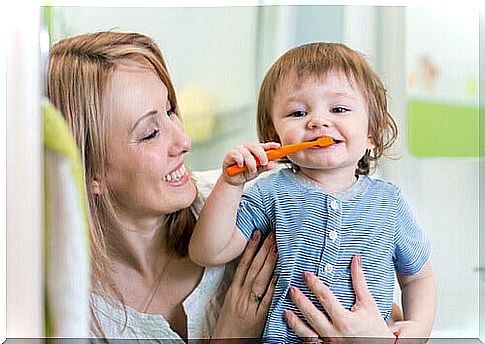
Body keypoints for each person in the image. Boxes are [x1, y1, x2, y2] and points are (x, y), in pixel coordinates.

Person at [188, 42, 436, 342]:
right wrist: (230, 184)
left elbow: (418, 278)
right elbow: (207, 252)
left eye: (339, 109)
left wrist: (418, 331)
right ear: (274, 137)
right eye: (297, 112)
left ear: (372, 132)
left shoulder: (389, 203)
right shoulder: (270, 192)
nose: (317, 121)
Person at [46, 31, 280, 341]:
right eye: (150, 133)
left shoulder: (249, 209)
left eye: (170, 110)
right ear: (91, 172)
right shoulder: (68, 313)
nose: (184, 142)